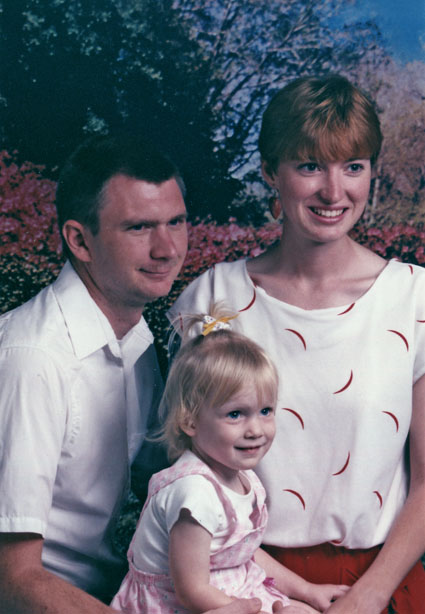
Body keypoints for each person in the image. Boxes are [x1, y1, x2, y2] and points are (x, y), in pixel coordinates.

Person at [168, 75, 425, 614]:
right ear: (271, 173)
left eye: (353, 166)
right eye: (310, 166)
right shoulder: (213, 297)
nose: (335, 192)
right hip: (238, 581)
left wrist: (370, 596)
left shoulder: (414, 299)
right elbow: (187, 474)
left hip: (378, 585)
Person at [0, 135, 266, 614]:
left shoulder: (138, 338)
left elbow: (175, 487)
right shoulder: (32, 358)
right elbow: (12, 579)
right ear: (80, 240)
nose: (167, 249)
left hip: (114, 594)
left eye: (177, 222)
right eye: (140, 227)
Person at [111, 305, 348, 614]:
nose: (256, 429)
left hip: (231, 587)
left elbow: (242, 554)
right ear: (190, 421)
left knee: (303, 610)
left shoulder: (241, 475)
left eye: (265, 411)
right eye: (236, 414)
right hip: (179, 602)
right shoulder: (194, 493)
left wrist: (306, 590)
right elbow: (191, 590)